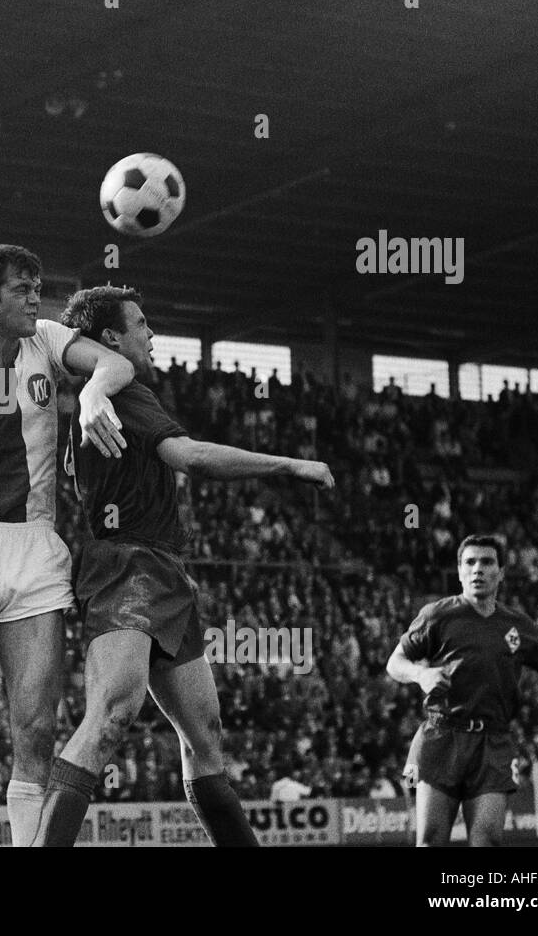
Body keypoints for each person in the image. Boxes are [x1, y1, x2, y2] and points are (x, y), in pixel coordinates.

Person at [32, 286, 333, 846]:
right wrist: (290, 464)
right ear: (112, 339)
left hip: (160, 568)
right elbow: (190, 457)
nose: (152, 335)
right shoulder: (128, 395)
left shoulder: (102, 397)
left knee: (205, 737)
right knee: (109, 719)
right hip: (129, 564)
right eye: (142, 324)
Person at [0, 245, 135, 847]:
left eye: (38, 286)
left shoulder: (48, 340)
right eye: (21, 289)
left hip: (35, 550)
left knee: (36, 731)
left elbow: (116, 366)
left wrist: (91, 394)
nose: (36, 298)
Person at [387, 533, 538, 846]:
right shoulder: (437, 615)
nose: (478, 569)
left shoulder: (517, 623)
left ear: (501, 572)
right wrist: (420, 674)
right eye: (470, 562)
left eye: (487, 562)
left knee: (487, 841)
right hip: (441, 737)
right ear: (460, 570)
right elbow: (394, 662)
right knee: (431, 840)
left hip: (493, 742)